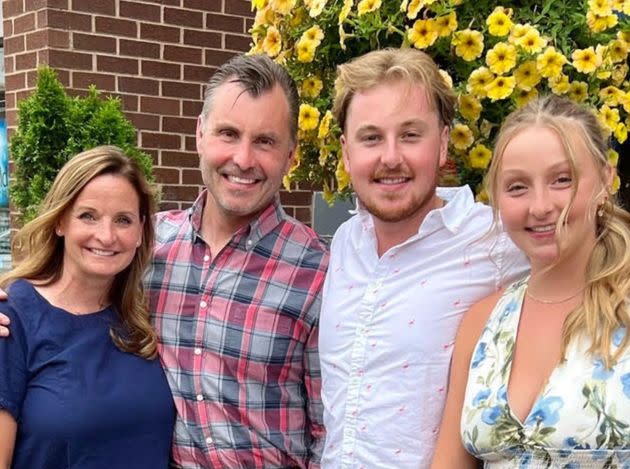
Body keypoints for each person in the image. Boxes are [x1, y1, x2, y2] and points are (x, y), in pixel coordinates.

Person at [0, 54, 328, 468]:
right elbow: (65, 297)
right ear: (200, 135)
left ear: (291, 154)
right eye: (228, 133)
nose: (243, 159)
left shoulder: (318, 273)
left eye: (265, 141)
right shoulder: (147, 248)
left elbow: (329, 432)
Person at [318, 48, 529, 468]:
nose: (391, 157)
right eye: (371, 137)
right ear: (346, 152)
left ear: (444, 143)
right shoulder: (345, 243)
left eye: (411, 135)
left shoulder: (498, 241)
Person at [431, 95, 630, 467]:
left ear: (605, 180)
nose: (540, 207)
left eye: (562, 180)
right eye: (518, 187)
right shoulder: (483, 324)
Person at [0, 146, 175, 468]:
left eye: (123, 220)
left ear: (140, 233)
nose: (106, 236)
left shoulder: (142, 316)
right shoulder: (12, 318)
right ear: (60, 222)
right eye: (88, 216)